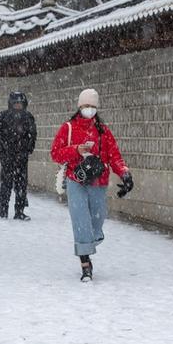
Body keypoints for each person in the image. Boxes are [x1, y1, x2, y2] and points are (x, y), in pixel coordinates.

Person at [50, 88, 134, 282]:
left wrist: (125, 174)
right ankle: (85, 264)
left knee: (97, 221)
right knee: (80, 220)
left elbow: (114, 156)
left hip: (98, 181)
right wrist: (76, 150)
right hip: (76, 180)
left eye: (92, 106)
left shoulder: (103, 131)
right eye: (86, 106)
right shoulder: (68, 128)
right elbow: (55, 153)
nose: (89, 109)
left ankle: (89, 243)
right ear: (80, 106)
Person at [0, 91, 37, 220]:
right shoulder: (3, 116)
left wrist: (28, 149)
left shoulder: (28, 117)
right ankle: (3, 211)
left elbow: (32, 135)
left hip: (22, 157)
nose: (18, 105)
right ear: (11, 103)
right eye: (15, 103)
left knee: (21, 185)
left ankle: (19, 211)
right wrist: (3, 149)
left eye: (20, 103)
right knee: (6, 184)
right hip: (7, 157)